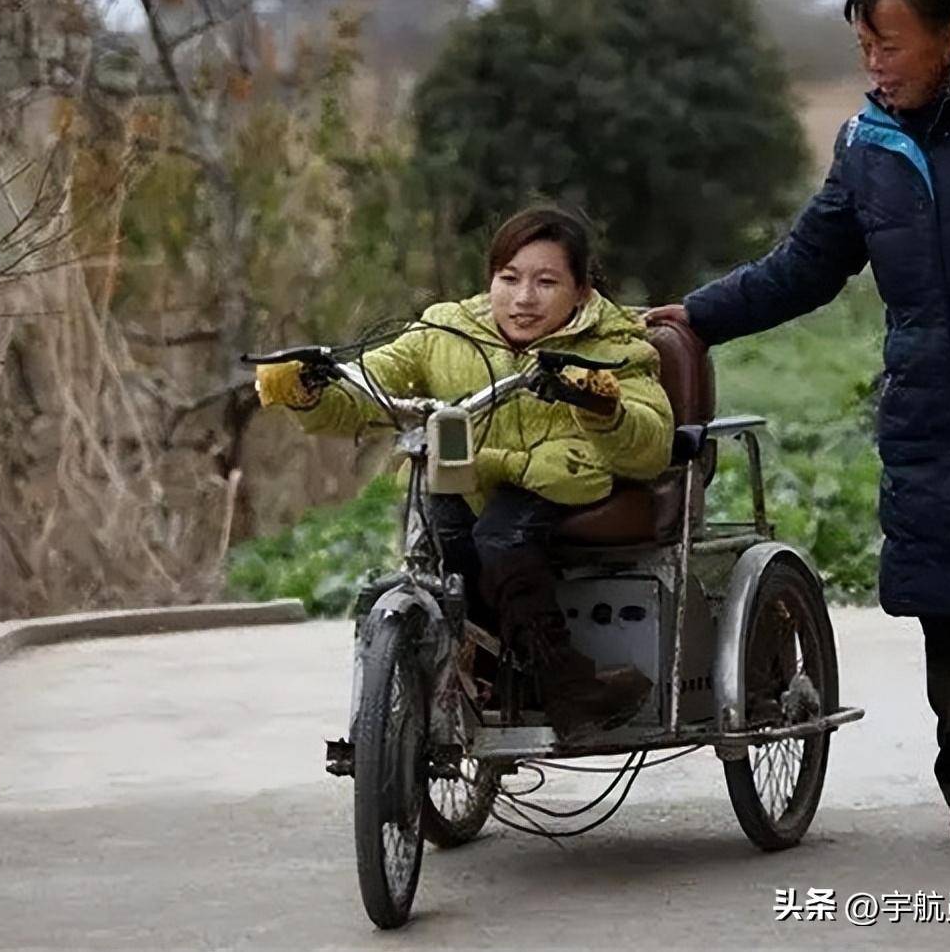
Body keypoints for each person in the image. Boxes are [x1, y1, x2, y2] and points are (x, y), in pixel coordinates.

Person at [647, 0, 950, 857]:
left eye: (891, 43)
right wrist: (701, 315)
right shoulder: (869, 149)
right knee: (948, 608)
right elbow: (807, 264)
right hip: (925, 416)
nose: (874, 63)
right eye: (863, 47)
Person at [255, 205, 674, 735]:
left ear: (582, 292)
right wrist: (310, 389)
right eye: (509, 279)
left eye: (546, 282)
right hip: (471, 475)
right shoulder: (446, 330)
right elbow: (374, 382)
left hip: (565, 478)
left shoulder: (615, 348)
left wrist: (603, 407)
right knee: (442, 541)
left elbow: (650, 445)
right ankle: (478, 667)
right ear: (490, 280)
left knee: (500, 536)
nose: (523, 298)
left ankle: (567, 684)